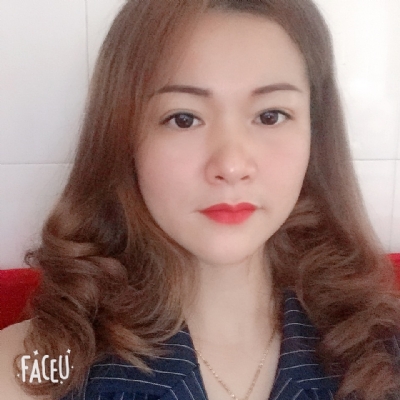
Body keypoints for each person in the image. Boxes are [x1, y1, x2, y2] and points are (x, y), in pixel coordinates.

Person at [2, 0, 400, 399]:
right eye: (184, 118)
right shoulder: (31, 371)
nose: (231, 165)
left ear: (315, 134)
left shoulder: (381, 357)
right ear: (123, 139)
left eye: (270, 116)